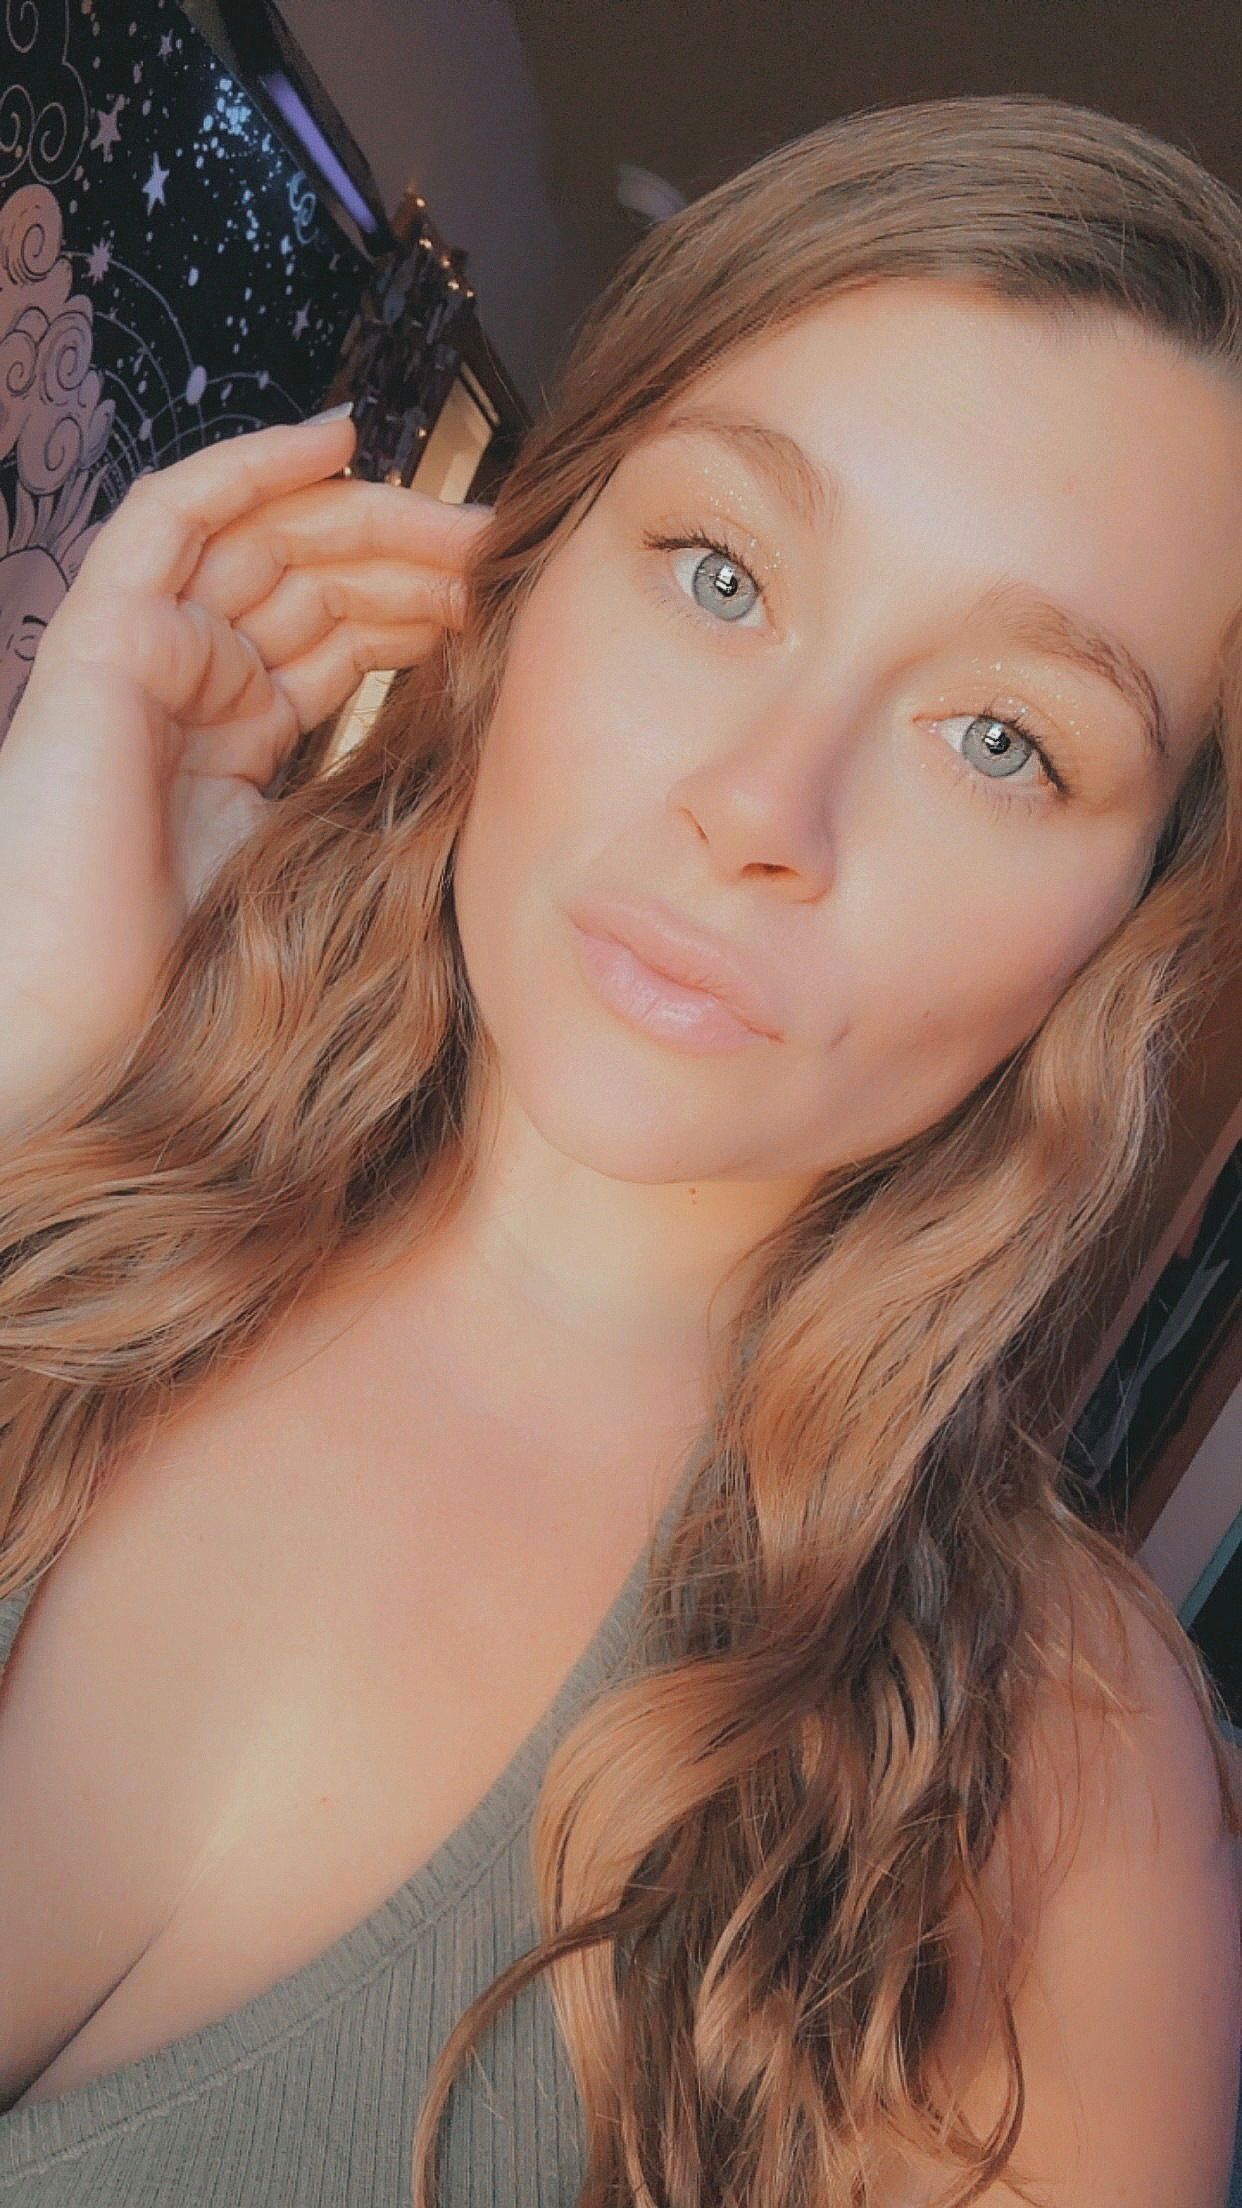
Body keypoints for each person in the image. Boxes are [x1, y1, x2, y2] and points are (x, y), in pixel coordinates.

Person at [0, 87, 1235, 2208]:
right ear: (528, 572)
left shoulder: (1048, 1782)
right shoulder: (51, 1132)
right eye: (722, 573)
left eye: (1003, 739)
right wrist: (31, 1069)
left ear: (1126, 934)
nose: (764, 803)